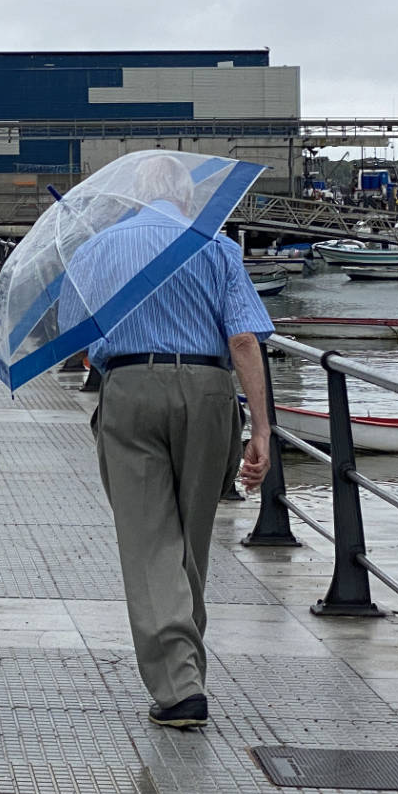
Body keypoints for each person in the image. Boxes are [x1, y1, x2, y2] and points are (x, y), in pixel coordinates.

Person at [57, 155, 274, 730]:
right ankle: (187, 668)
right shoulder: (216, 246)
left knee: (149, 540)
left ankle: (181, 687)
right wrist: (262, 428)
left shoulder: (97, 249)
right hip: (208, 390)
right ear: (187, 197)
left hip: (129, 388)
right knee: (190, 538)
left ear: (136, 194)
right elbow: (245, 341)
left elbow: (77, 339)